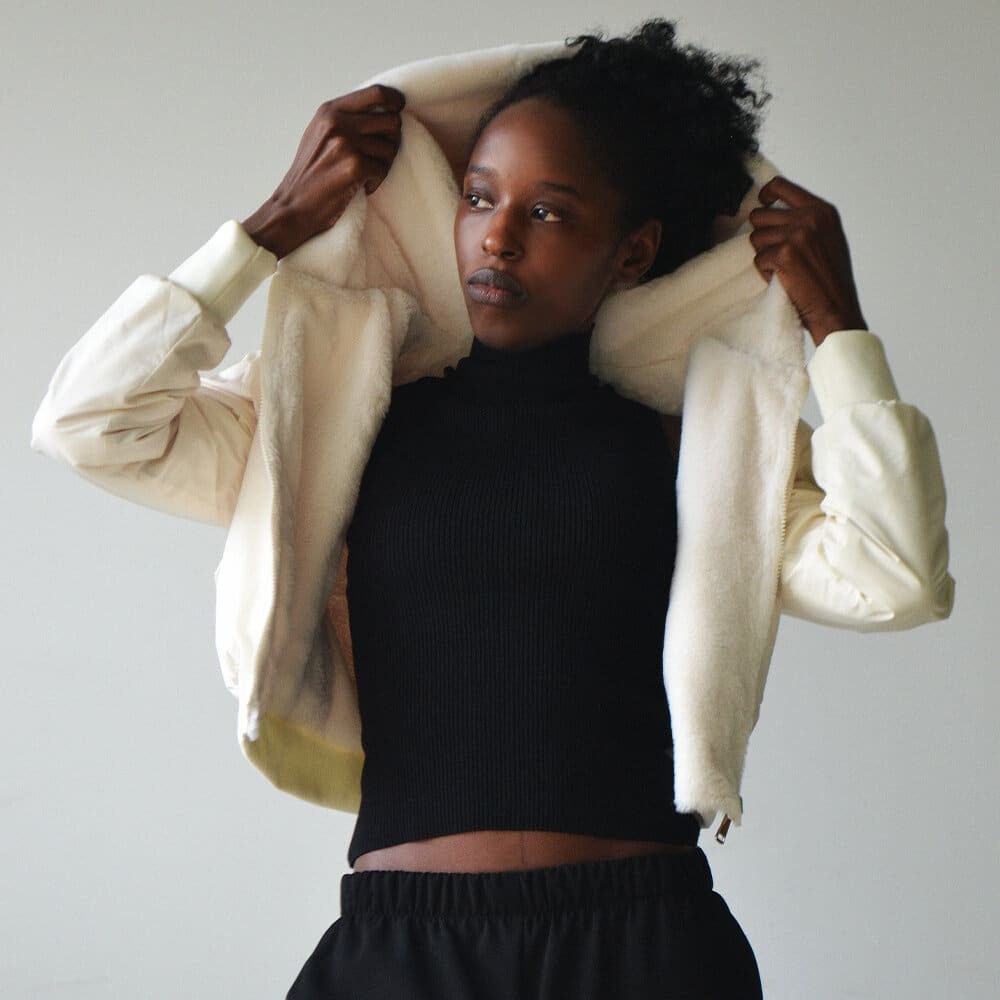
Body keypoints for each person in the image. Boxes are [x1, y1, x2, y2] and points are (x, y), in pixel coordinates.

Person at [30, 19, 954, 999]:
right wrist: (269, 229)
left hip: (642, 951)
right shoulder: (334, 423)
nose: (498, 237)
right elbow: (89, 423)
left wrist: (836, 325)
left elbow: (896, 578)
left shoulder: (700, 449)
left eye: (548, 212)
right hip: (399, 954)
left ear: (632, 251)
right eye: (478, 197)